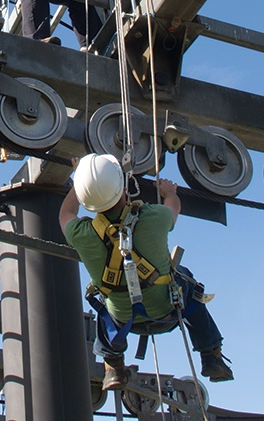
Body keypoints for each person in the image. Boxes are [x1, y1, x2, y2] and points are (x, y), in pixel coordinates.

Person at [58, 153, 234, 391]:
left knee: (102, 303)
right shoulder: (154, 216)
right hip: (168, 312)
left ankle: (113, 366)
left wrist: (79, 177)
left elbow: (65, 214)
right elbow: (173, 208)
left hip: (123, 322)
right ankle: (211, 354)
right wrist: (169, 193)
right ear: (121, 185)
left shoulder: (81, 234)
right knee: (189, 283)